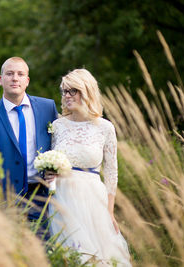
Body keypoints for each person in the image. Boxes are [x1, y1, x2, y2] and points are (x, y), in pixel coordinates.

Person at [47, 69, 131, 266]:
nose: (67, 96)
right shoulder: (58, 126)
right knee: (69, 255)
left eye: (72, 91)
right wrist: (49, 172)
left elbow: (111, 173)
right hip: (62, 198)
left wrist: (109, 211)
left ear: (87, 92)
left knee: (99, 256)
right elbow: (51, 160)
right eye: (64, 91)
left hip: (94, 200)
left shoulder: (105, 128)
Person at [0, 57, 58, 226]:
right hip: (6, 199)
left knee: (44, 248)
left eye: (20, 74)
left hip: (42, 195)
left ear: (27, 81)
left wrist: (57, 172)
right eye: (9, 74)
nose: (15, 78)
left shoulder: (47, 108)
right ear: (1, 79)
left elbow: (59, 146)